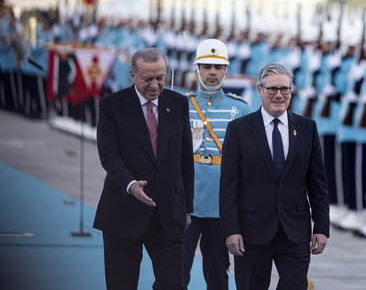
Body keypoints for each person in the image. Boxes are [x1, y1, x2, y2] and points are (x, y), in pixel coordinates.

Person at [219, 63, 330, 289]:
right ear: (259, 91)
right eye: (272, 89)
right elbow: (229, 186)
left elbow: (317, 183)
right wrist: (231, 230)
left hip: (295, 233)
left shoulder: (307, 127)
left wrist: (321, 226)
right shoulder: (239, 129)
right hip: (252, 233)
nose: (279, 95)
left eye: (284, 89)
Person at [93, 47, 194, 290]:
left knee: (173, 283)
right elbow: (109, 156)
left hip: (168, 216)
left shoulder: (178, 103)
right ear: (132, 75)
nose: (155, 85)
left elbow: (185, 160)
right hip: (123, 213)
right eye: (148, 78)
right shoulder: (111, 106)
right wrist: (130, 185)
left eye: (160, 77)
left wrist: (187, 208)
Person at [183, 38, 251, 289]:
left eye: (218, 67)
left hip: (220, 206)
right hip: (186, 205)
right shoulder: (182, 105)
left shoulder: (240, 109)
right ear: (197, 69)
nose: (212, 72)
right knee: (176, 271)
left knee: (217, 272)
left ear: (226, 70)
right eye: (206, 66)